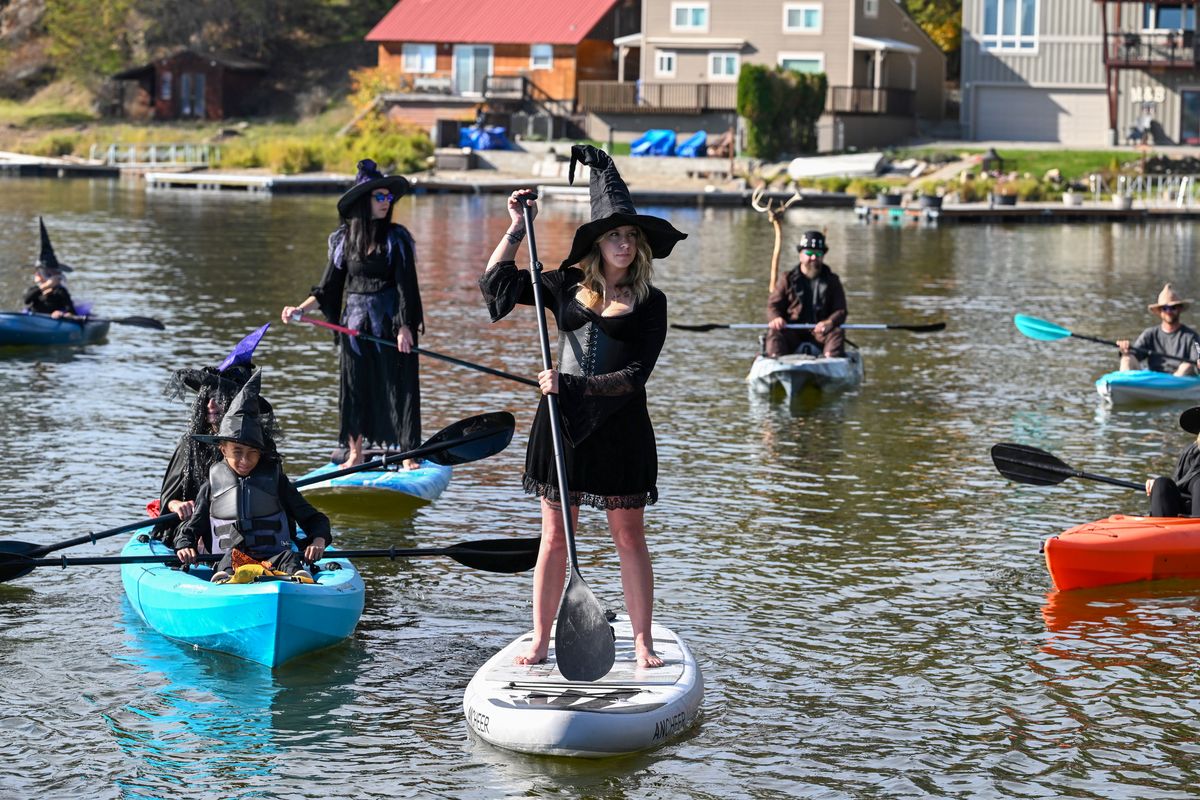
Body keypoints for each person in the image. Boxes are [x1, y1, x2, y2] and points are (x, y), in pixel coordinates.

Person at [479, 144, 686, 669]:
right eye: (614, 235)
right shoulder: (566, 286)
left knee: (627, 534)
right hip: (561, 425)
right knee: (554, 533)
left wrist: (571, 386)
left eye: (631, 235)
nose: (624, 243)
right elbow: (496, 284)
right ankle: (541, 639)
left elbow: (636, 376)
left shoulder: (652, 302)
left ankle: (641, 642)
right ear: (596, 243)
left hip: (619, 427)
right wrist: (516, 230)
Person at [281, 159, 423, 470]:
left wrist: (405, 326)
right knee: (355, 388)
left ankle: (409, 454)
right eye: (380, 197)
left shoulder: (396, 239)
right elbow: (328, 289)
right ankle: (355, 454)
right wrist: (299, 310)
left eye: (389, 198)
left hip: (390, 326)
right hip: (355, 328)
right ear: (364, 201)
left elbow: (406, 287)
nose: (387, 203)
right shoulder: (343, 241)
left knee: (398, 386)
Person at [174, 369, 330, 584]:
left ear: (261, 452)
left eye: (252, 453)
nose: (245, 461)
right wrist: (185, 545)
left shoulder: (276, 481)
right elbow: (193, 526)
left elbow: (314, 519)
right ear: (223, 450)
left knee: (288, 557)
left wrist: (318, 540)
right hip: (231, 558)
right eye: (237, 452)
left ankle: (298, 580)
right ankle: (225, 579)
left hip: (275, 555)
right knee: (229, 558)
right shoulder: (212, 484)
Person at [155, 324, 275, 548]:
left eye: (219, 398)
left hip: (252, 529)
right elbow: (167, 499)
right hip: (195, 529)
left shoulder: (260, 444)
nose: (210, 405)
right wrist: (177, 506)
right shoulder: (189, 444)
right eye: (207, 397)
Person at [765, 230, 847, 358]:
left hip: (821, 334)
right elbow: (773, 305)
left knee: (837, 332)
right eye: (809, 253)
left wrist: (830, 322)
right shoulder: (786, 278)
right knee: (775, 332)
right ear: (800, 255)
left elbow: (840, 310)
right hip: (792, 332)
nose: (813, 258)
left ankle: (831, 361)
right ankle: (776, 363)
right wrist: (776, 318)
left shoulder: (833, 280)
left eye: (818, 254)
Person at [1117, 284, 1200, 375]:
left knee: (1187, 366)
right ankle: (1125, 387)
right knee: (1126, 359)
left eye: (1173, 308)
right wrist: (1125, 351)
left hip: (1179, 381)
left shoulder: (1191, 337)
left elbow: (1197, 358)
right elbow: (1134, 355)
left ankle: (1169, 386)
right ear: (1160, 311)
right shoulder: (1149, 334)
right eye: (1165, 308)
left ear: (1179, 309)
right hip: (1154, 380)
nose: (1169, 312)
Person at [1145, 406, 1200, 517]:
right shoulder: (1190, 453)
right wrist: (1155, 487)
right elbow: (1179, 484)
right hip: (1183, 517)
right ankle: (1160, 531)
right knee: (1161, 484)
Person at [24, 217, 77, 318]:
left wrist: (62, 314)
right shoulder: (35, 290)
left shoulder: (60, 292)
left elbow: (72, 312)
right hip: (34, 321)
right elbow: (27, 300)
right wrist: (45, 286)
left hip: (51, 323)